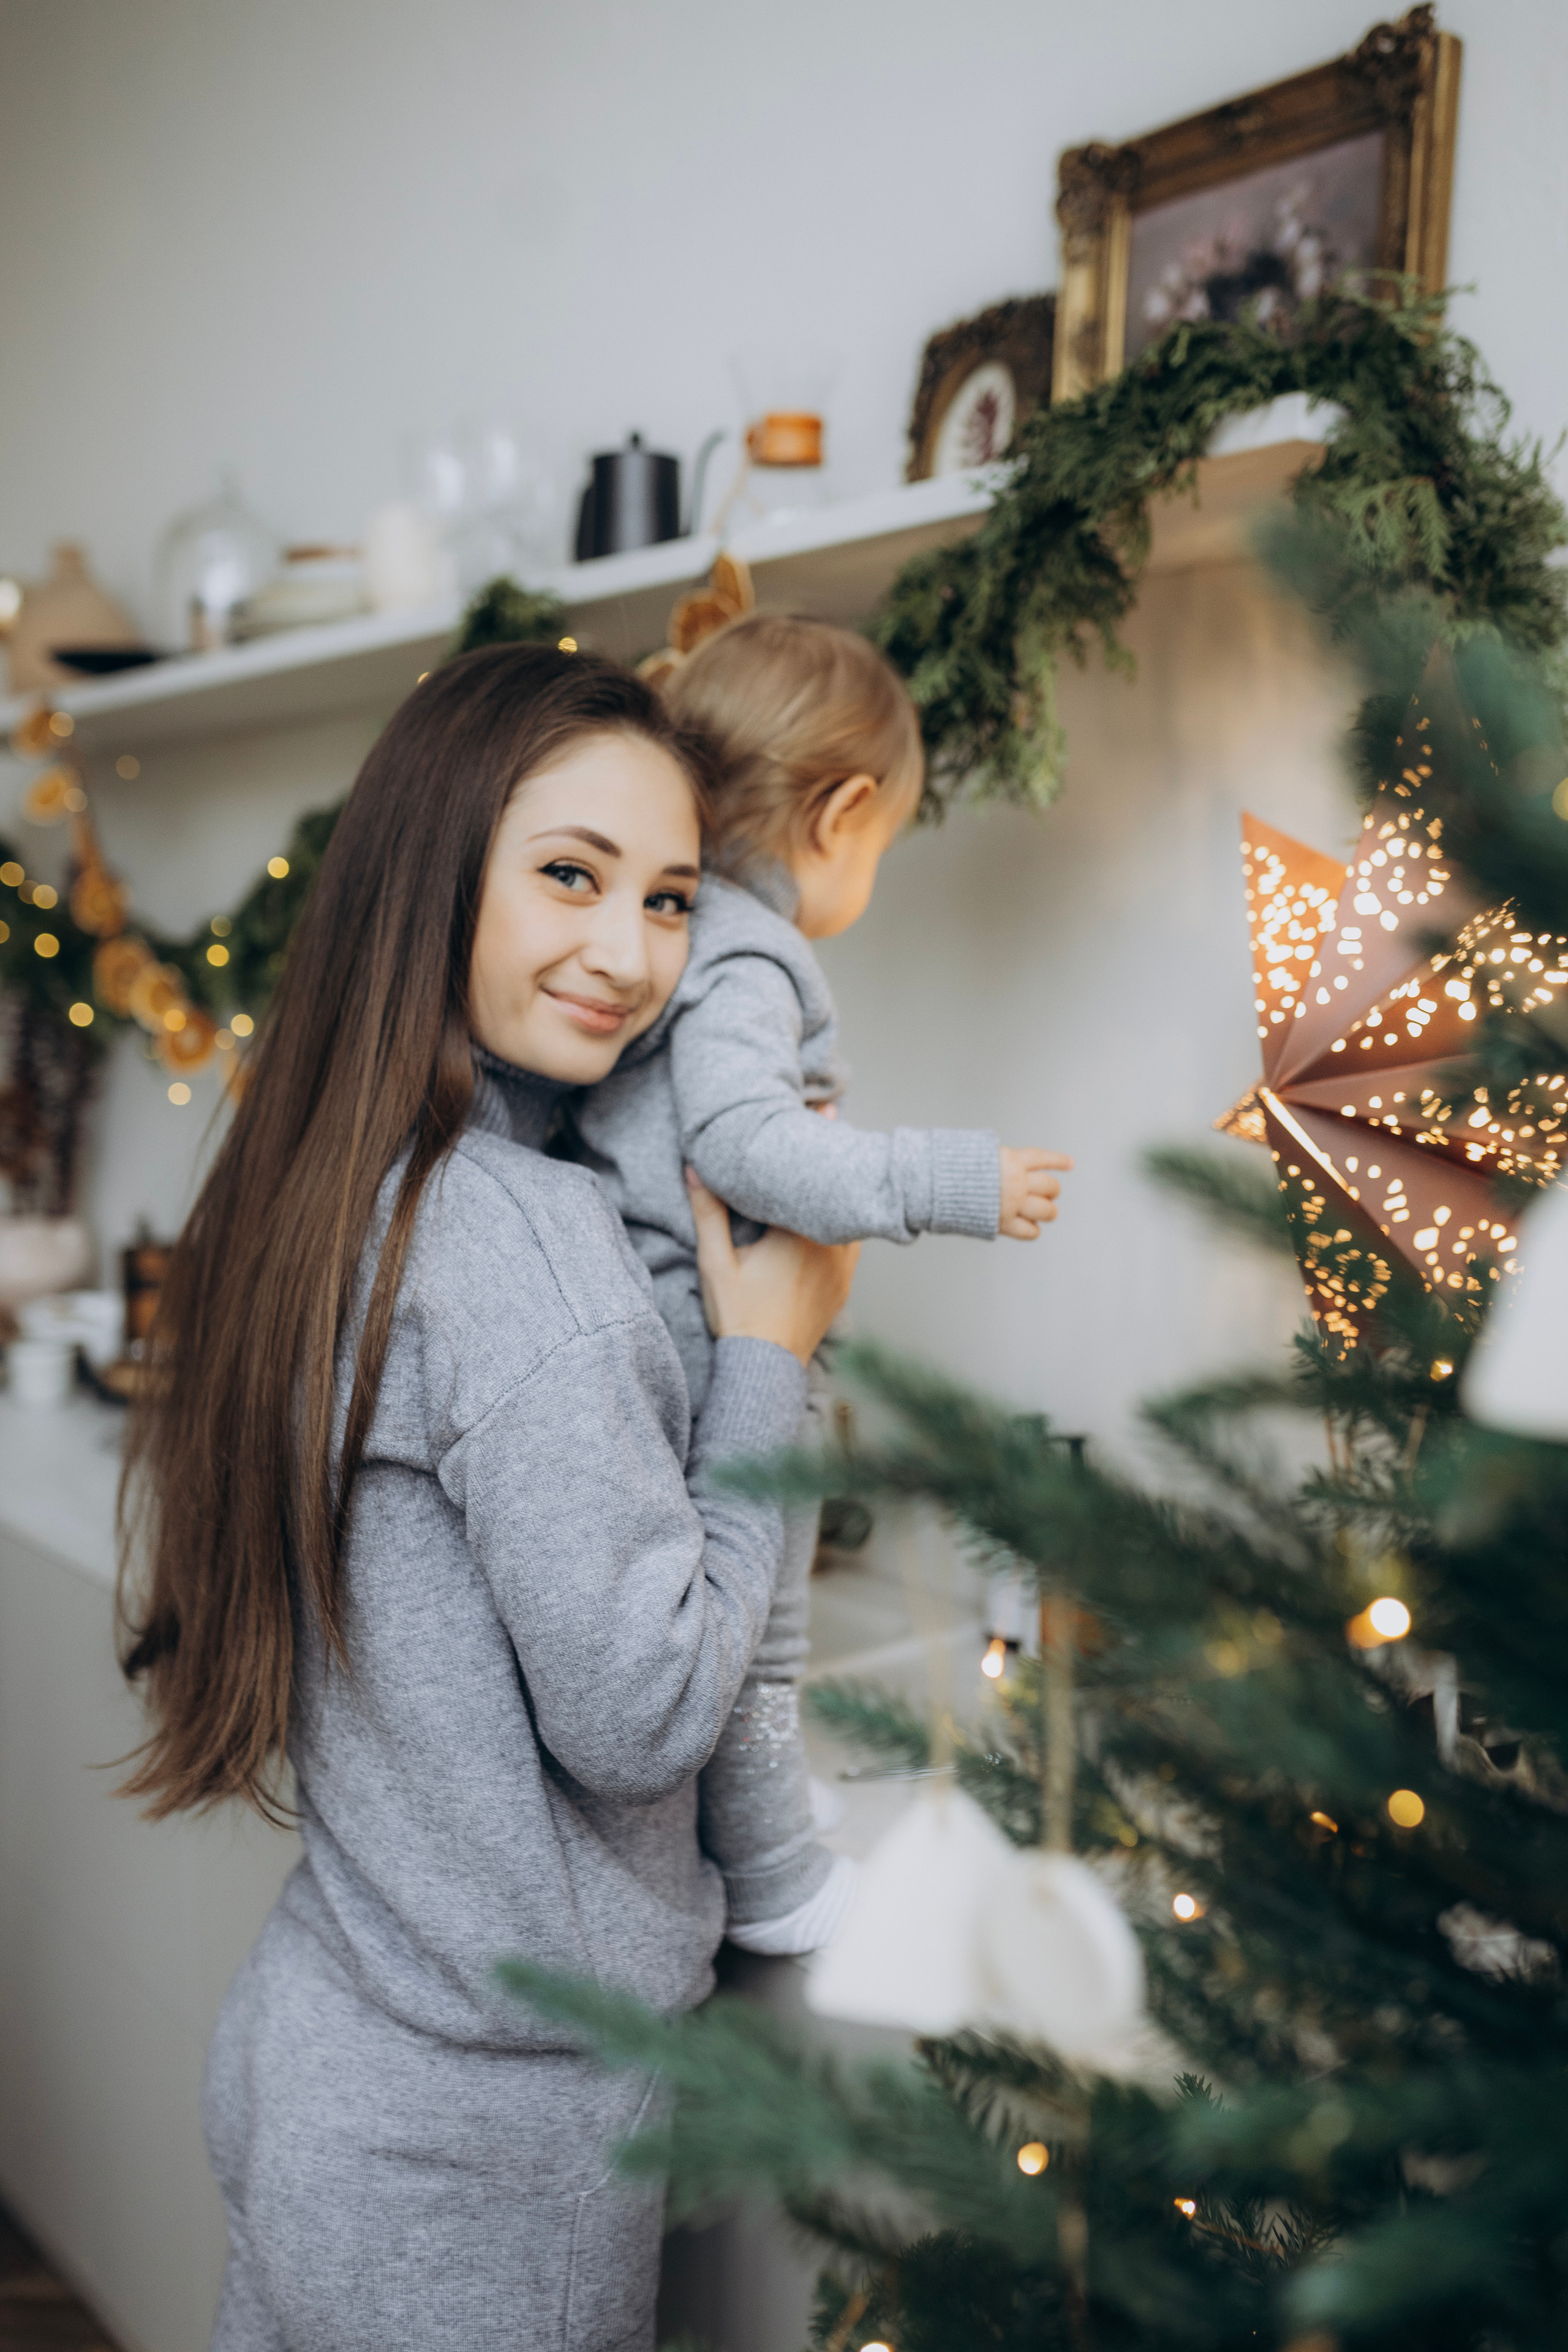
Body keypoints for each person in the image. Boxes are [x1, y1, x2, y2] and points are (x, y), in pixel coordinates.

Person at [115, 644, 858, 2352]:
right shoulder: (518, 1238)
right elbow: (647, 1702)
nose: (629, 953)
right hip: (478, 2150)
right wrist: (767, 1361)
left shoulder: (320, 1178)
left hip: (328, 2044)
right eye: (570, 877)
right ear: (436, 877)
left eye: (674, 899)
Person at [567, 612, 1072, 1958]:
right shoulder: (743, 954)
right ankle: (779, 1877)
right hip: (720, 1342)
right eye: (887, 844)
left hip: (665, 1341)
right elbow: (745, 1142)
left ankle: (751, 1845)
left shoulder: (683, 933)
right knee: (759, 1635)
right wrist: (950, 1182)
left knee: (722, 1630)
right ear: (843, 813)